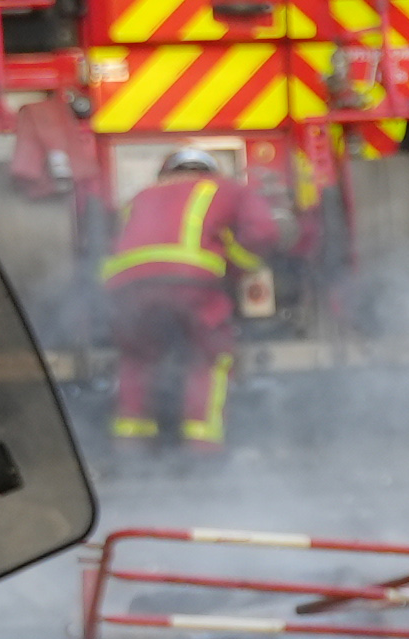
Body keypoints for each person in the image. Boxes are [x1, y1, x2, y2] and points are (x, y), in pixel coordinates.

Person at [96, 143, 290, 450]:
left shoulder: (139, 198)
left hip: (126, 287)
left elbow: (114, 244)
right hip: (190, 285)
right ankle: (203, 447)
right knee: (209, 357)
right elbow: (264, 234)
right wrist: (240, 267)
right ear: (210, 172)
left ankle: (130, 445)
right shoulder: (228, 190)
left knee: (137, 358)